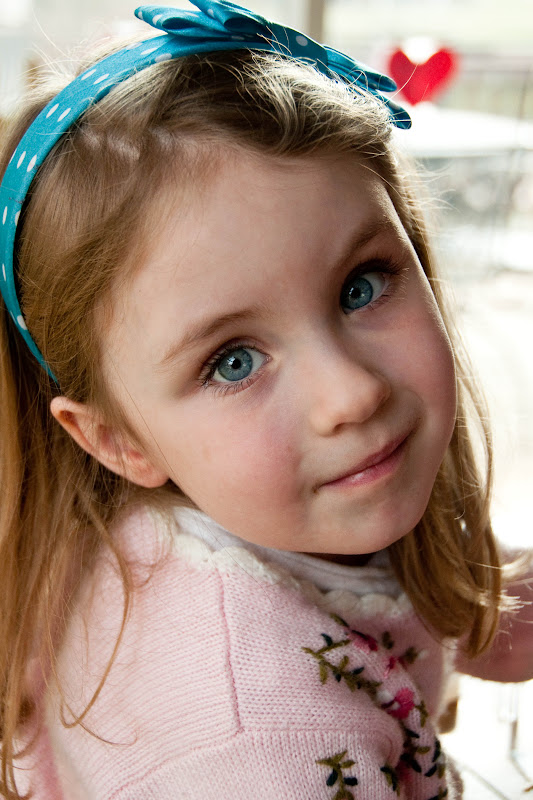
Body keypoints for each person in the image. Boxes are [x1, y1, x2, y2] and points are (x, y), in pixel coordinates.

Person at [0, 1, 531, 797]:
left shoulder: (263, 511)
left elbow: (451, 611)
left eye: (361, 287)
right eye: (234, 362)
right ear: (117, 441)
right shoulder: (255, 746)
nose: (351, 393)